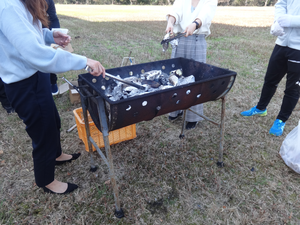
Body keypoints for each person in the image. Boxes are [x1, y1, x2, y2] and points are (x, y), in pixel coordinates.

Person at [0, 0, 105, 194]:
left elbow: (29, 32)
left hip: (36, 75)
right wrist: (84, 61)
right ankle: (45, 179)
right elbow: (34, 52)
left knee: (52, 120)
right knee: (42, 130)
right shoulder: (7, 5)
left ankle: (56, 155)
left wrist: (50, 35)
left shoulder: (20, 3)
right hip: (23, 82)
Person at [240, 0, 300, 137]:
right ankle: (261, 108)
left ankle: (281, 120)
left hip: (298, 48)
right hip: (281, 42)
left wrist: (291, 20)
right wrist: (278, 21)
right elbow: (281, 4)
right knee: (270, 80)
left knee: (292, 88)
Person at [165, 0, 217, 130]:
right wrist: (170, 23)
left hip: (197, 40)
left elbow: (205, 15)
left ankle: (193, 117)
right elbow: (175, 11)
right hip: (179, 38)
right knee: (176, 75)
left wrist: (195, 24)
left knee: (195, 78)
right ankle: (175, 110)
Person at [45, 0, 61, 95]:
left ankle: (52, 82)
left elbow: (53, 18)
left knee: (50, 55)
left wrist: (57, 34)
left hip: (47, 30)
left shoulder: (48, 1)